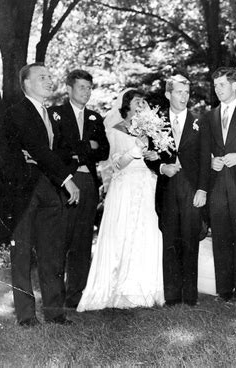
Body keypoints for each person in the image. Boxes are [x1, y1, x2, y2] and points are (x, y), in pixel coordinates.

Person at [4, 62, 80, 326]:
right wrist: (68, 179)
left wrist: (63, 173)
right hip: (22, 191)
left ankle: (55, 312)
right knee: (22, 254)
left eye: (50, 76)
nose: (49, 80)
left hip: (49, 188)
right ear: (26, 83)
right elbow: (37, 148)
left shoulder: (52, 115)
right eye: (42, 77)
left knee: (52, 252)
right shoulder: (18, 111)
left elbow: (64, 151)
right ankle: (26, 316)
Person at [77, 89, 164, 311]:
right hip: (126, 185)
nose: (141, 104)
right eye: (137, 101)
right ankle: (120, 290)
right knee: (124, 234)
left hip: (148, 184)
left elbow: (159, 157)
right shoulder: (115, 131)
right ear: (126, 105)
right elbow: (115, 164)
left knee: (147, 233)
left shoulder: (151, 129)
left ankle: (145, 289)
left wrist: (153, 154)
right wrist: (136, 149)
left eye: (143, 101)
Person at [145, 75, 210, 306]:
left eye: (187, 92)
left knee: (190, 239)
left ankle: (190, 295)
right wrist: (162, 167)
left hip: (192, 188)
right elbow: (150, 156)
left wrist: (202, 189)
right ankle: (172, 295)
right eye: (179, 92)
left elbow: (205, 159)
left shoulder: (199, 122)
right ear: (168, 94)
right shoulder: (156, 123)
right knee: (170, 239)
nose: (184, 97)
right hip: (168, 187)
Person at [49, 69, 109, 308]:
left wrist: (78, 149)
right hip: (66, 182)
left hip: (89, 184)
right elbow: (58, 149)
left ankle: (76, 296)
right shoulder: (55, 114)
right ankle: (55, 296)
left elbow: (103, 150)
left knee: (83, 241)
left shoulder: (96, 118)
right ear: (70, 89)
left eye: (89, 88)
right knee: (60, 239)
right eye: (82, 87)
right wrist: (86, 148)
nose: (86, 92)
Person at [201, 67, 236, 302]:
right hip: (217, 183)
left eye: (222, 84)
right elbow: (204, 149)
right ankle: (223, 289)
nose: (218, 89)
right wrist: (211, 160)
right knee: (220, 234)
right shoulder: (209, 117)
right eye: (215, 86)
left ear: (234, 85)